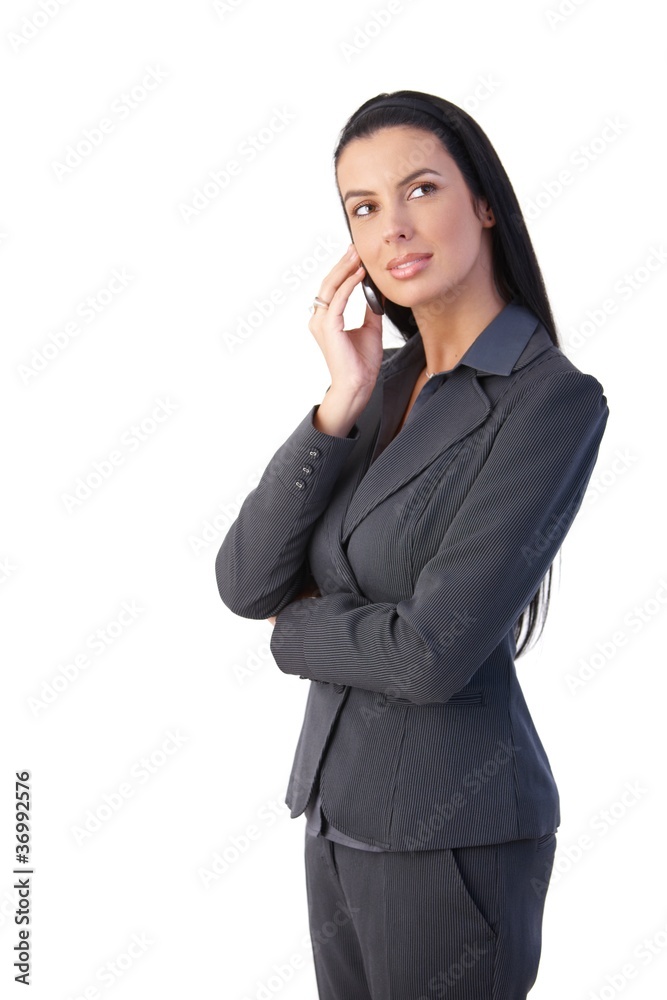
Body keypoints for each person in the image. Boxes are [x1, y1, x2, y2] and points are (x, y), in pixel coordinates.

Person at [215, 90, 609, 999]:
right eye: (363, 207)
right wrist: (338, 401)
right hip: (335, 814)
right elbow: (245, 581)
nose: (391, 225)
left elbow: (431, 654)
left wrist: (295, 631)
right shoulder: (381, 385)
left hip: (452, 836)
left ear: (484, 203)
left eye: (419, 189)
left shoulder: (548, 400)